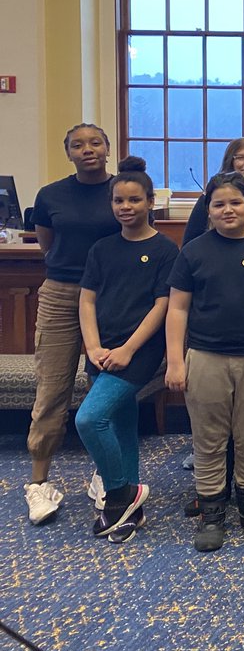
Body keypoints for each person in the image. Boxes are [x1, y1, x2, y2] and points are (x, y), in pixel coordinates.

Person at [165, 172, 244, 552]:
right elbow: (177, 308)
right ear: (209, 209)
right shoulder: (193, 252)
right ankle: (212, 513)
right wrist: (175, 360)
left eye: (235, 202)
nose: (228, 210)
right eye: (219, 204)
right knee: (208, 440)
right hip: (205, 357)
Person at [76, 156, 177, 542]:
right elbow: (87, 301)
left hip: (138, 353)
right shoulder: (102, 249)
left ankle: (119, 491)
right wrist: (93, 345)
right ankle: (131, 512)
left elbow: (162, 305)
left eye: (134, 200)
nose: (126, 207)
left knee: (89, 419)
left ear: (151, 202)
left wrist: (128, 349)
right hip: (100, 350)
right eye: (119, 200)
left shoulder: (165, 249)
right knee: (120, 423)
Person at [25, 123, 121, 524]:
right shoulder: (51, 195)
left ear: (108, 148)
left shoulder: (121, 189)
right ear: (68, 153)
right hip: (63, 292)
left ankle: (106, 473)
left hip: (112, 294)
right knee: (52, 389)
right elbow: (47, 244)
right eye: (78, 145)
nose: (88, 150)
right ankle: (39, 483)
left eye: (95, 143)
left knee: (106, 384)